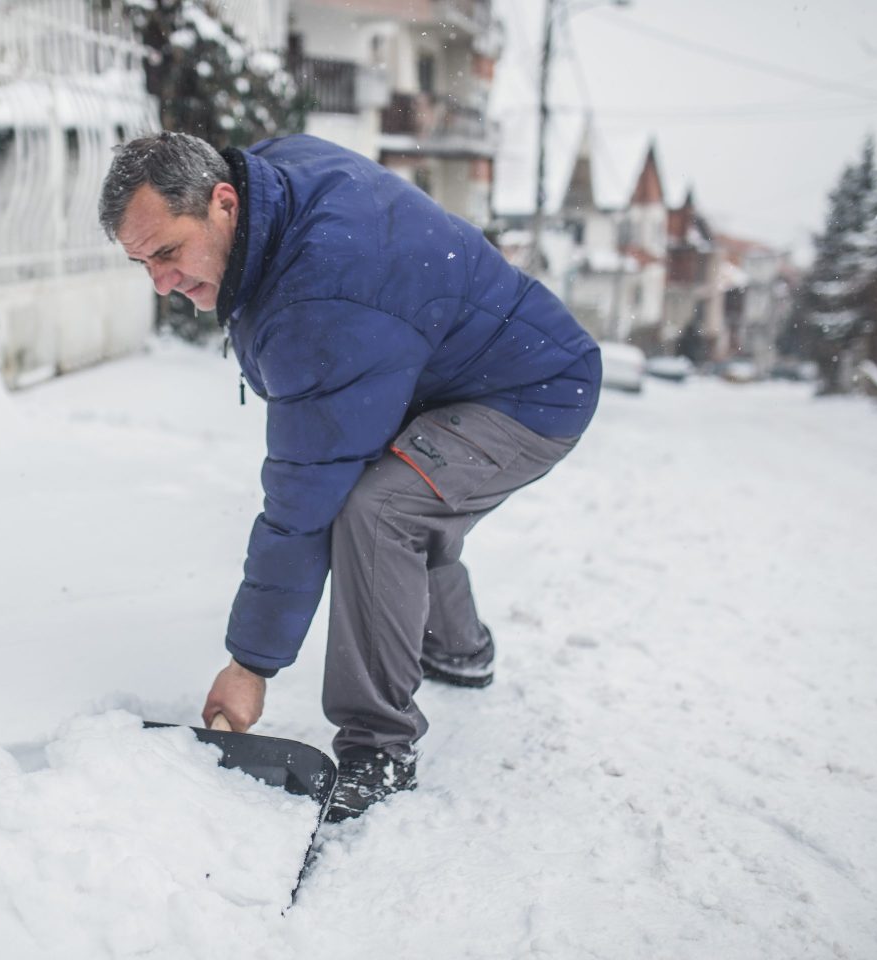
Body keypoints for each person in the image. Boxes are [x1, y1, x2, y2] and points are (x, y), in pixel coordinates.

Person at [99, 132, 601, 821]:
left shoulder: (324, 297)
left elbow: (305, 500)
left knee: (378, 509)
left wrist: (250, 666)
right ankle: (458, 649)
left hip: (533, 393)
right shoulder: (269, 184)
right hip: (449, 369)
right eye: (142, 263)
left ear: (222, 204)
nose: (161, 283)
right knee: (400, 491)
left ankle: (380, 746)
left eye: (167, 252)